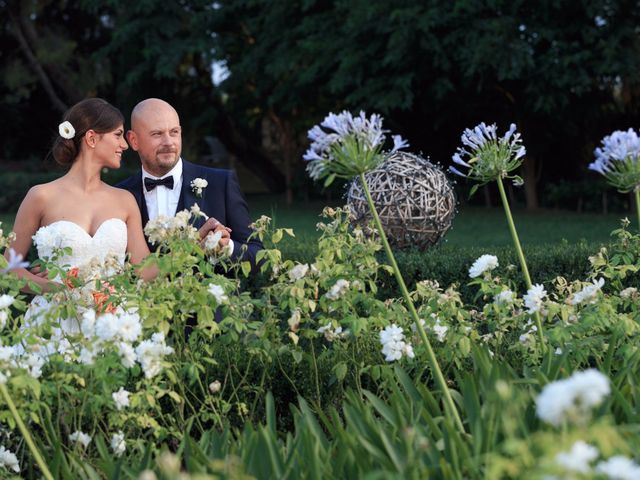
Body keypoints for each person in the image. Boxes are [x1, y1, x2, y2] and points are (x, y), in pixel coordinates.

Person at [116, 98, 262, 267]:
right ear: (134, 140)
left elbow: (259, 255)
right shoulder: (120, 194)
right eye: (157, 134)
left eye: (174, 132)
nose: (169, 142)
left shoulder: (220, 184)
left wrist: (227, 248)